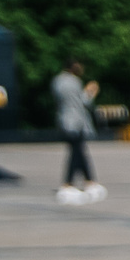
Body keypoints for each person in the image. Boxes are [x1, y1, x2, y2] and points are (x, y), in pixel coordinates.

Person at [51, 60, 103, 204]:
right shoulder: (74, 82)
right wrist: (91, 92)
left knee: (79, 151)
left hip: (63, 120)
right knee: (76, 152)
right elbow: (82, 102)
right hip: (75, 122)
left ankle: (90, 181)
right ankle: (68, 184)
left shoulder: (57, 81)